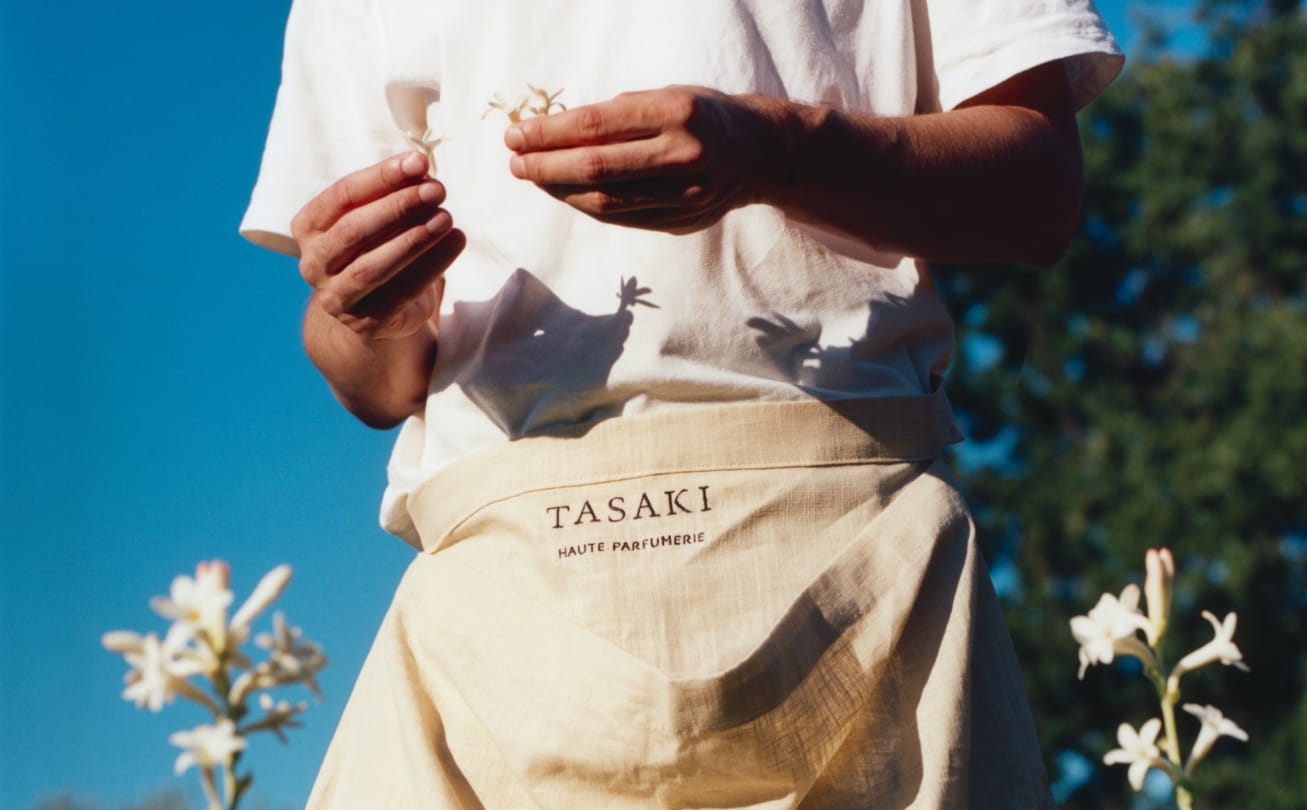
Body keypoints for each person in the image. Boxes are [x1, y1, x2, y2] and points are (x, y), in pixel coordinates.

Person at [242, 1, 1121, 807]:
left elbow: (1039, 193)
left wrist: (774, 152)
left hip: (860, 570)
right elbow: (374, 382)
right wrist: (368, 311)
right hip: (491, 632)